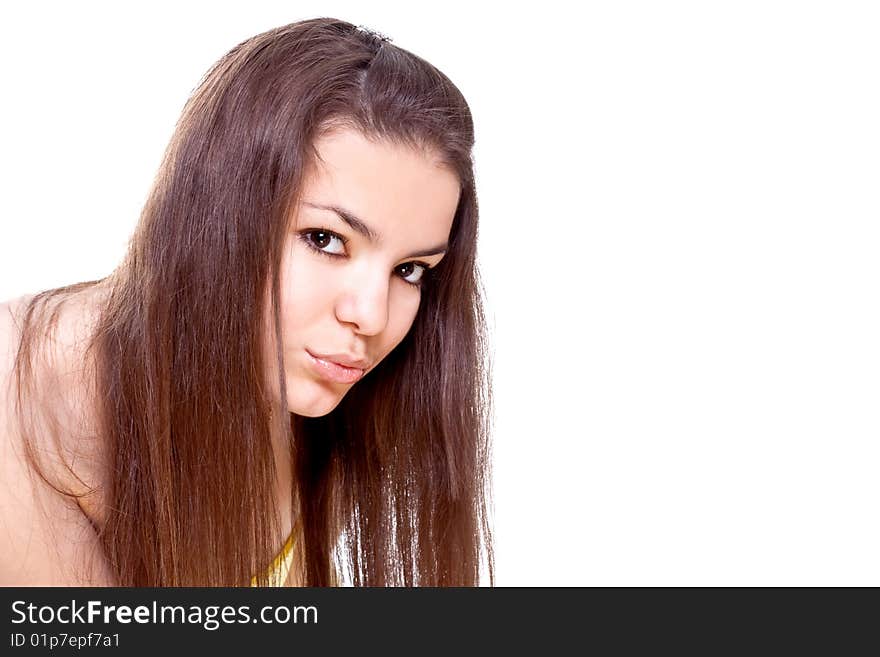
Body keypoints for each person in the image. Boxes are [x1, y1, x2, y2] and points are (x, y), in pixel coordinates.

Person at [0, 17, 494, 586]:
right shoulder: (26, 404)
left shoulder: (319, 387)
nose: (372, 315)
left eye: (410, 270)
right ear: (218, 215)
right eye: (326, 240)